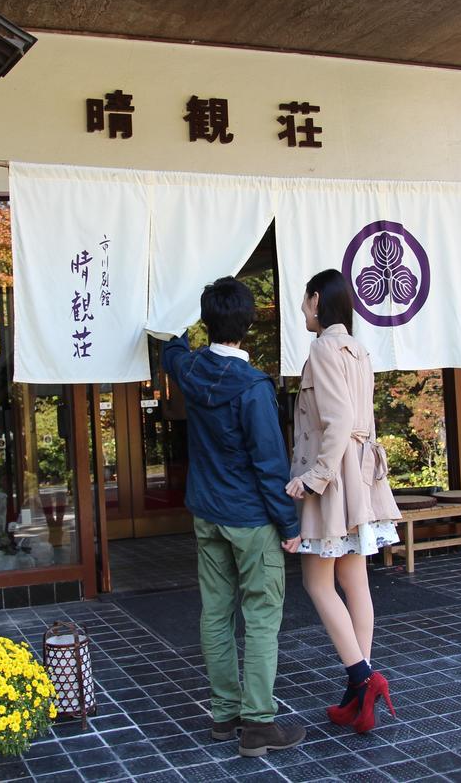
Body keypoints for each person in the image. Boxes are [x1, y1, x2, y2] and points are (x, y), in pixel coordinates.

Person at [161, 276, 307, 758]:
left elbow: (170, 349)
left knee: (216, 614)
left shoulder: (190, 368)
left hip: (207, 512)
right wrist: (289, 526)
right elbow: (270, 464)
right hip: (251, 518)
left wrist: (178, 318)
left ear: (207, 321)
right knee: (262, 617)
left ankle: (224, 715)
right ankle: (258, 724)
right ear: (249, 323)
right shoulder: (254, 388)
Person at [285, 269, 402, 734]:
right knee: (355, 580)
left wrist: (313, 478)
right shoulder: (358, 348)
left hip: (333, 479)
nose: (301, 309)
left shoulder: (322, 349)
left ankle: (363, 678)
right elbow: (356, 421)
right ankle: (359, 694)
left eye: (304, 299)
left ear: (317, 300)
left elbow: (335, 422)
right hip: (359, 477)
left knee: (318, 583)